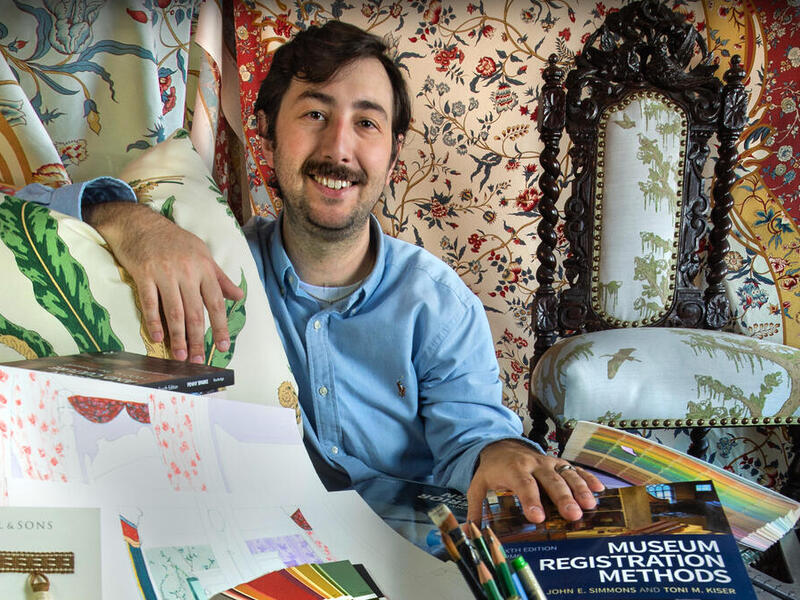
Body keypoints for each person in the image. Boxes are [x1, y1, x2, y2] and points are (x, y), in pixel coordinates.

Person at [20, 21, 603, 524]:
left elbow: (472, 438)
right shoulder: (217, 268)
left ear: (393, 154)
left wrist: (500, 454)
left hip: (412, 552)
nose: (338, 147)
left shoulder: (439, 304)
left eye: (367, 123)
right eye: (315, 113)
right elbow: (20, 211)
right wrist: (128, 220)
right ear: (267, 135)